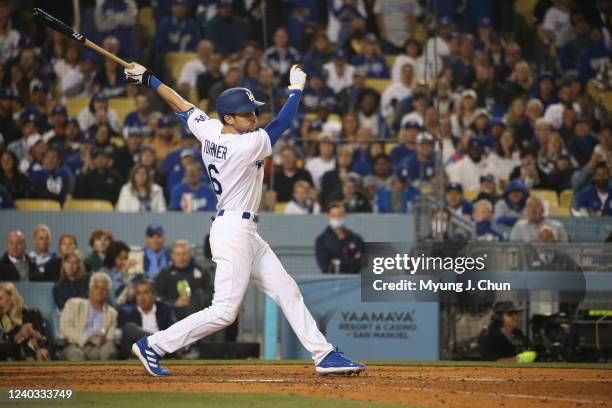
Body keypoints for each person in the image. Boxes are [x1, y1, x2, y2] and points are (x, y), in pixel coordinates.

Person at [123, 59, 364, 375]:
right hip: (233, 229)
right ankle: (153, 344)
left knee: (286, 289)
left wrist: (150, 79)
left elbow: (181, 106)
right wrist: (296, 90)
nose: (255, 116)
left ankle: (324, 354)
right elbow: (282, 124)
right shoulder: (244, 144)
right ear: (229, 118)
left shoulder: (210, 129)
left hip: (243, 229)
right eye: (248, 114)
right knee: (224, 312)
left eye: (254, 111)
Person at [59, 272, 118, 361]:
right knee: (76, 355)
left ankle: (107, 374)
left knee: (109, 350)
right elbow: (65, 327)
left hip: (100, 348)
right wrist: (85, 339)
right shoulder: (73, 304)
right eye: (97, 287)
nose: (100, 291)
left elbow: (110, 337)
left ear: (108, 292)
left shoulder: (112, 313)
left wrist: (102, 340)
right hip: (76, 345)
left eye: (104, 289)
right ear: (90, 289)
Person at [153, 240, 213, 321]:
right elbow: (157, 296)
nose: (181, 257)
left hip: (200, 313)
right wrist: (174, 303)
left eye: (184, 254)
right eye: (178, 254)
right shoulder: (165, 274)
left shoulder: (201, 271)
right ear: (172, 256)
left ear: (190, 255)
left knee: (199, 294)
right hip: (174, 314)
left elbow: (210, 292)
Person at [118, 280, 176, 359]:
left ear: (154, 295)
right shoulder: (129, 313)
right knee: (129, 327)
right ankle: (154, 342)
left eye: (145, 293)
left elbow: (172, 332)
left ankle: (156, 344)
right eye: (138, 293)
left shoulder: (166, 309)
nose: (142, 297)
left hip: (163, 352)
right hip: (141, 354)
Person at [0, 283, 49, 361]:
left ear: (11, 297)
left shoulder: (32, 314)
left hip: (36, 354)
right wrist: (20, 335)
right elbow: (3, 345)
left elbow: (44, 338)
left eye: (0, 298)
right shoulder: (1, 320)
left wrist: (41, 345)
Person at [315, 202, 365, 274]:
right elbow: (325, 266)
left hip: (353, 281)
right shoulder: (321, 240)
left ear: (344, 215)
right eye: (334, 215)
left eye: (340, 215)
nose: (337, 218)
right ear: (328, 216)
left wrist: (338, 263)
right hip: (332, 282)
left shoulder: (355, 238)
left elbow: (363, 262)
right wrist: (352, 261)